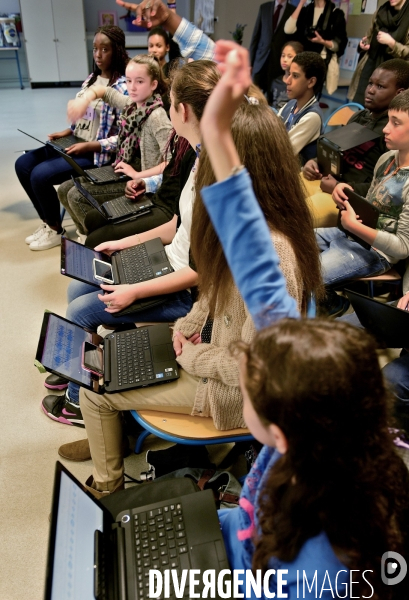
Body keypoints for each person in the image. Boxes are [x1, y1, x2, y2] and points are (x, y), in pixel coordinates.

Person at [194, 40, 409, 599]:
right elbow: (257, 266)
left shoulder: (317, 568)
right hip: (239, 543)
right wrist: (217, 131)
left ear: (277, 425)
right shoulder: (310, 438)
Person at [52, 87, 322, 481]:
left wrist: (190, 356)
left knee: (95, 390)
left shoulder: (272, 253)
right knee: (111, 361)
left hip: (230, 391)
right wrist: (187, 327)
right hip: (212, 353)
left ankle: (107, 487)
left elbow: (254, 370)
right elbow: (212, 294)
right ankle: (115, 436)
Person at [41, 59, 220, 428]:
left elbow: (199, 273)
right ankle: (102, 360)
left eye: (170, 102)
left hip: (187, 291)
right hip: (168, 261)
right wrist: (125, 241)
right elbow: (175, 224)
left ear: (182, 110)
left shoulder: (217, 174)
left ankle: (78, 403)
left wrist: (135, 292)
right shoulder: (202, 158)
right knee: (80, 287)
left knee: (80, 311)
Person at [14, 26, 129, 250]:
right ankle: (48, 222)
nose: (98, 54)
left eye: (104, 49)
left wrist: (89, 145)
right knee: (23, 165)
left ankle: (56, 230)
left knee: (39, 175)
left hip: (96, 154)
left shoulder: (123, 87)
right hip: (75, 140)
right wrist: (67, 131)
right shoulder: (91, 79)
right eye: (95, 48)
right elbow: (84, 117)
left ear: (116, 51)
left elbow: (124, 139)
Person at [316, 88, 409, 315]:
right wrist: (343, 193)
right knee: (284, 245)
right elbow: (370, 205)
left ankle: (331, 303)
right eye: (388, 120)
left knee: (300, 275)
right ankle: (324, 298)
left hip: (377, 253)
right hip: (350, 235)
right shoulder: (387, 158)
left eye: (396, 123)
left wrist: (354, 226)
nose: (385, 129)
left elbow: (403, 247)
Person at [58, 54, 172, 237]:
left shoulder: (157, 117)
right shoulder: (132, 104)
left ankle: (97, 240)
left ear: (154, 84)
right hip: (124, 169)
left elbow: (171, 163)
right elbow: (104, 92)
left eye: (140, 81)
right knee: (64, 190)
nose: (132, 87)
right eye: (128, 81)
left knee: (77, 197)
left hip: (141, 179)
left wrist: (138, 175)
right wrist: (83, 100)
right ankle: (86, 236)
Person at [303, 58, 409, 226]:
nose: (371, 90)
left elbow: (384, 188)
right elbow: (338, 153)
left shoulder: (393, 134)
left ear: (399, 93)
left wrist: (342, 187)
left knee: (295, 216)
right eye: (370, 84)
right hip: (327, 180)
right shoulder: (358, 117)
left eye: (380, 86)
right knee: (276, 192)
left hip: (347, 198)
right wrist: (315, 163)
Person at [349, 0, 409, 105]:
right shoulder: (381, 11)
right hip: (371, 65)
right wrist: (364, 43)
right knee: (362, 104)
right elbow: (369, 35)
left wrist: (392, 43)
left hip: (395, 72)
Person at [277, 51, 326, 164]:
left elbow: (282, 152)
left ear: (311, 82)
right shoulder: (290, 104)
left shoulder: (312, 116)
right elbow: (271, 130)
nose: (288, 81)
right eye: (289, 74)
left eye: (295, 76)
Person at [249, 1, 296, 103]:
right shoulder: (264, 7)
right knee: (253, 96)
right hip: (260, 61)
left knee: (272, 100)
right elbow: (255, 36)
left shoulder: (292, 10)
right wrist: (250, 63)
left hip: (277, 64)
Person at [284, 0, 348, 69]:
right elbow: (288, 30)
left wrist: (323, 42)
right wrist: (301, 3)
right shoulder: (305, 11)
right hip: (303, 60)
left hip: (323, 62)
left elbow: (339, 44)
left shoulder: (336, 13)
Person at [271, 40, 303, 111]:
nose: (284, 60)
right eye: (283, 56)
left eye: (289, 56)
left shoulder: (300, 85)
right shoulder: (276, 82)